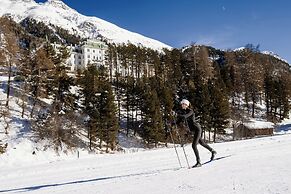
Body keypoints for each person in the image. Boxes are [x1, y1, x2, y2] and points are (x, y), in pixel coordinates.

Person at [175, 99, 216, 168]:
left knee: (194, 145)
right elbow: (179, 121)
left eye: (183, 104)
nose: (182, 105)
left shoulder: (190, 111)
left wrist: (177, 114)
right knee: (202, 143)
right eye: (181, 104)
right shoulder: (183, 112)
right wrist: (172, 123)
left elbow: (184, 116)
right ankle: (213, 151)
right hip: (194, 130)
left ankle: (198, 162)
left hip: (197, 129)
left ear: (186, 105)